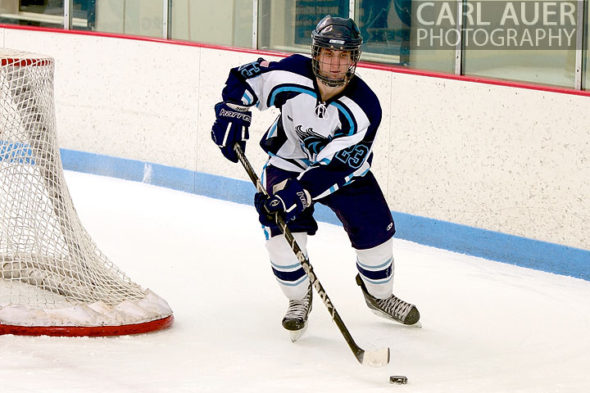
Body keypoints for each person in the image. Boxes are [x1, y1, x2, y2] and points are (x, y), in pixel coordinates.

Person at [211, 15, 420, 340]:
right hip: (288, 161)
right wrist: (233, 112)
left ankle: (378, 296)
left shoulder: (365, 107)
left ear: (354, 59)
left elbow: (339, 167)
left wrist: (302, 193)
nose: (335, 64)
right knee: (280, 235)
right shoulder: (290, 71)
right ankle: (299, 299)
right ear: (316, 53)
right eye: (328, 54)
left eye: (344, 56)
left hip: (343, 173)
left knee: (377, 240)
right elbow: (244, 78)